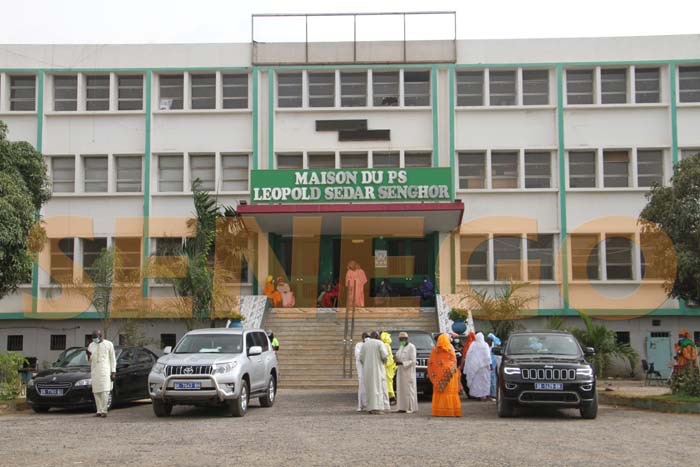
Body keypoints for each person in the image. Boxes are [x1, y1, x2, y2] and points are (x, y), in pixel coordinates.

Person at [427, 333, 462, 417]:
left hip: (438, 377)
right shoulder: (450, 349)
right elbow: (454, 362)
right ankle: (450, 410)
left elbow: (431, 363)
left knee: (440, 393)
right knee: (450, 393)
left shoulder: (435, 351)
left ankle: (440, 411)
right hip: (450, 375)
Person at [86, 330, 116, 418]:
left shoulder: (109, 344)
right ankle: (98, 411)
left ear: (100, 336)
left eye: (95, 338)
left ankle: (104, 411)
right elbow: (88, 360)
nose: (94, 339)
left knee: (105, 391)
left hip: (105, 371)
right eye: (93, 338)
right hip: (95, 371)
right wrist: (88, 355)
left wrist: (113, 371)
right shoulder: (91, 345)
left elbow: (113, 359)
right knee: (96, 392)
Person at [360, 331, 389, 414]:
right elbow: (384, 356)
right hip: (378, 370)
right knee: (378, 388)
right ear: (377, 336)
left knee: (370, 389)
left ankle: (370, 408)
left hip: (367, 370)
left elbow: (361, 358)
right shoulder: (380, 343)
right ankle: (377, 408)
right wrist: (384, 362)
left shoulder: (365, 344)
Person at [394, 332, 418, 414]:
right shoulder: (401, 347)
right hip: (401, 371)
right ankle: (402, 407)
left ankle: (411, 408)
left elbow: (413, 361)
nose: (401, 341)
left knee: (409, 390)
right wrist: (395, 358)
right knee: (400, 390)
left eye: (402, 339)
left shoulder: (411, 347)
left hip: (408, 372)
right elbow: (398, 356)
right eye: (400, 339)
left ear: (406, 339)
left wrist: (402, 363)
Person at [464, 332, 492, 401]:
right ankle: (484, 395)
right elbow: (488, 356)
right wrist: (489, 364)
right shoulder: (485, 345)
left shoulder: (473, 345)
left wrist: (470, 365)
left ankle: (477, 396)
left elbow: (469, 355)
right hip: (484, 367)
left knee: (476, 382)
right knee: (484, 381)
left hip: (474, 367)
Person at [380, 331, 397, 405]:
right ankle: (391, 397)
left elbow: (385, 356)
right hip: (390, 366)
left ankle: (391, 398)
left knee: (387, 383)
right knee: (389, 383)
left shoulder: (384, 345)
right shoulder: (388, 345)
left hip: (387, 367)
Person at [355, 332, 369, 411]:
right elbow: (358, 355)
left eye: (367, 337)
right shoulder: (358, 345)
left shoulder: (370, 344)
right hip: (361, 368)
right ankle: (361, 405)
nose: (365, 338)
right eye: (364, 337)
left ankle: (368, 404)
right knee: (361, 385)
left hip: (368, 367)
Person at [487, 333, 502, 399]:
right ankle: (491, 393)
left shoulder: (494, 348)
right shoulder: (488, 347)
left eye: (490, 340)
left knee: (494, 380)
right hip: (490, 366)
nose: (488, 341)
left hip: (494, 365)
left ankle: (494, 394)